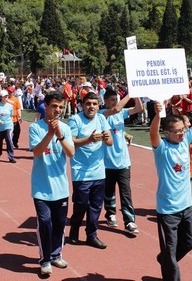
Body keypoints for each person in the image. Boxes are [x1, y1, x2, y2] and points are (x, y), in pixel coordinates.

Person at [150, 84, 192, 281]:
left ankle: (164, 259)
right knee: (171, 255)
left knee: (188, 244)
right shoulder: (162, 149)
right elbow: (153, 134)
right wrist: (157, 115)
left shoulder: (186, 140)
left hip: (187, 207)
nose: (182, 134)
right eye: (177, 132)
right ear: (167, 134)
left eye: (183, 130)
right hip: (167, 211)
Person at [29, 91, 75, 276]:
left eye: (61, 107)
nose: (57, 110)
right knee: (45, 223)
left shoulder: (65, 128)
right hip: (41, 188)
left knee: (59, 224)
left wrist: (60, 135)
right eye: (54, 106)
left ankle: (56, 254)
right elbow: (37, 152)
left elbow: (71, 152)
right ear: (46, 106)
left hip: (61, 187)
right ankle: (45, 259)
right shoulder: (35, 127)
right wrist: (50, 133)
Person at [67, 91, 113, 249]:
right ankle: (74, 228)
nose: (91, 107)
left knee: (96, 205)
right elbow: (71, 142)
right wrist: (89, 140)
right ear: (82, 105)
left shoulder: (101, 118)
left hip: (99, 171)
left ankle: (91, 235)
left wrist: (107, 138)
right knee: (81, 204)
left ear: (98, 105)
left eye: (94, 104)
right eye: (88, 104)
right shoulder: (75, 119)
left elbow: (110, 142)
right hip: (81, 171)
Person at [100, 89, 143, 234]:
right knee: (109, 190)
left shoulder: (121, 113)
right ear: (105, 101)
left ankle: (129, 221)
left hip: (123, 161)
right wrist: (131, 90)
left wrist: (136, 95)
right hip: (107, 161)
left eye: (116, 99)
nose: (115, 102)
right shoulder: (101, 115)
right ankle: (110, 214)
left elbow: (139, 109)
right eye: (112, 100)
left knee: (126, 192)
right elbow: (116, 109)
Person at [0, 90, 16, 163]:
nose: (7, 97)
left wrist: (11, 123)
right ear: (1, 97)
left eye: (7, 96)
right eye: (5, 96)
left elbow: (11, 115)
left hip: (8, 126)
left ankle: (11, 157)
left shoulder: (10, 106)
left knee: (9, 140)